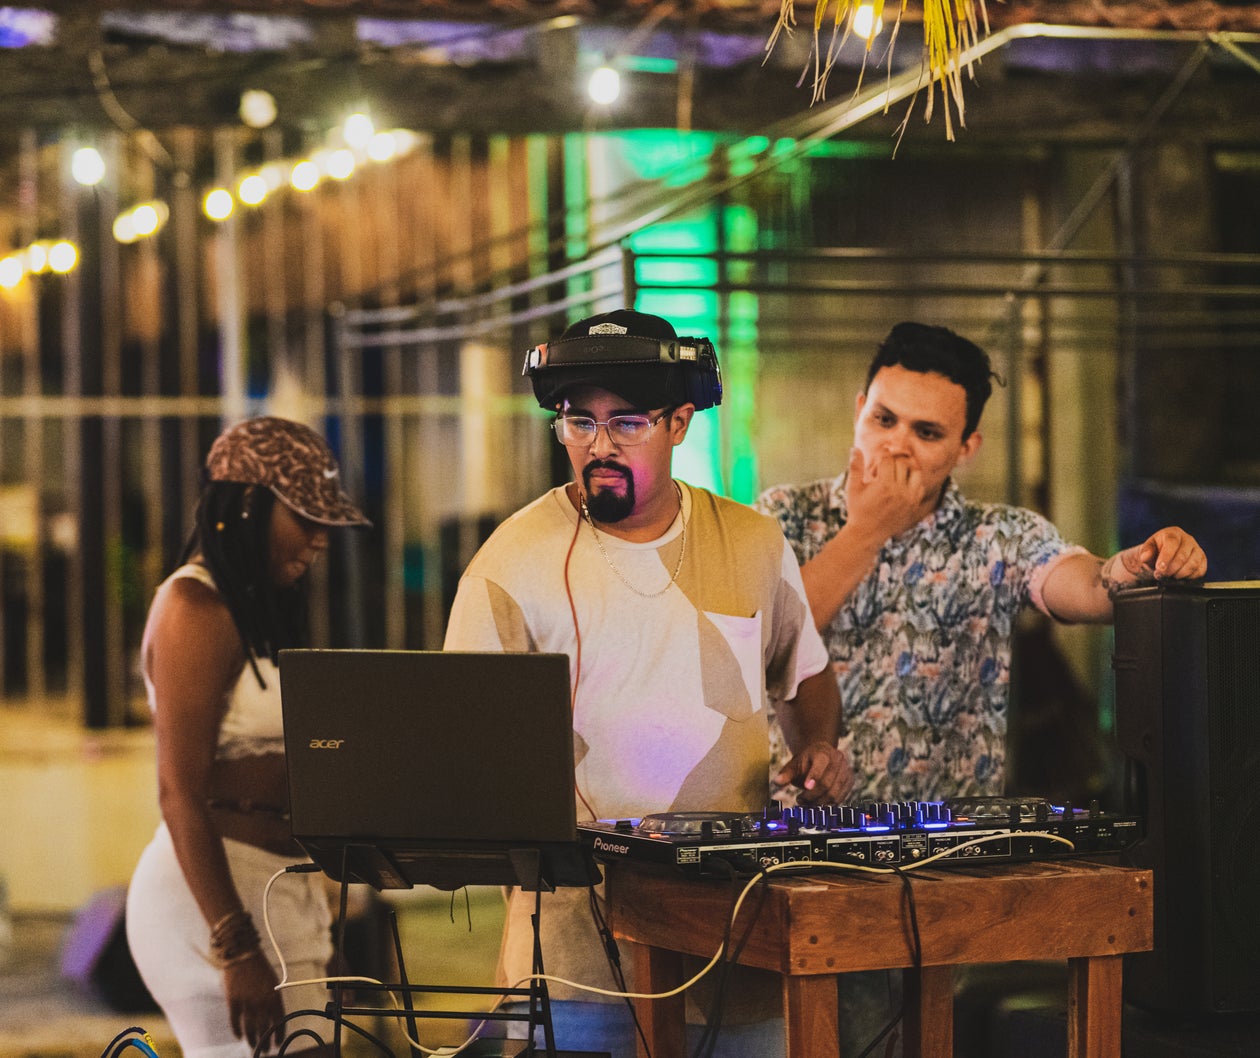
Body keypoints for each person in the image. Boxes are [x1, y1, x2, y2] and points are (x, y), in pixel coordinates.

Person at [442, 308, 853, 1058]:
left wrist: (819, 743)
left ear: (679, 423)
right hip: (576, 970)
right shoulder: (508, 566)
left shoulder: (753, 543)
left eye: (625, 423)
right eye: (578, 423)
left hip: (737, 955)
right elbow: (463, 755)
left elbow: (805, 678)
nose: (597, 446)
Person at [755, 320, 1207, 806]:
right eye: (884, 420)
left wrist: (1140, 566)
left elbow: (1090, 587)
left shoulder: (999, 535)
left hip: (950, 843)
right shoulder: (784, 515)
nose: (897, 445)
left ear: (966, 448)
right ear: (859, 410)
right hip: (799, 832)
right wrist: (868, 529)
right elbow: (761, 643)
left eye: (926, 432)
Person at [126, 416, 371, 1058]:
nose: (320, 539)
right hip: (216, 901)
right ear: (247, 507)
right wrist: (236, 946)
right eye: (305, 518)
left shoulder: (249, 609)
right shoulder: (193, 609)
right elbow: (178, 793)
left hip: (275, 887)